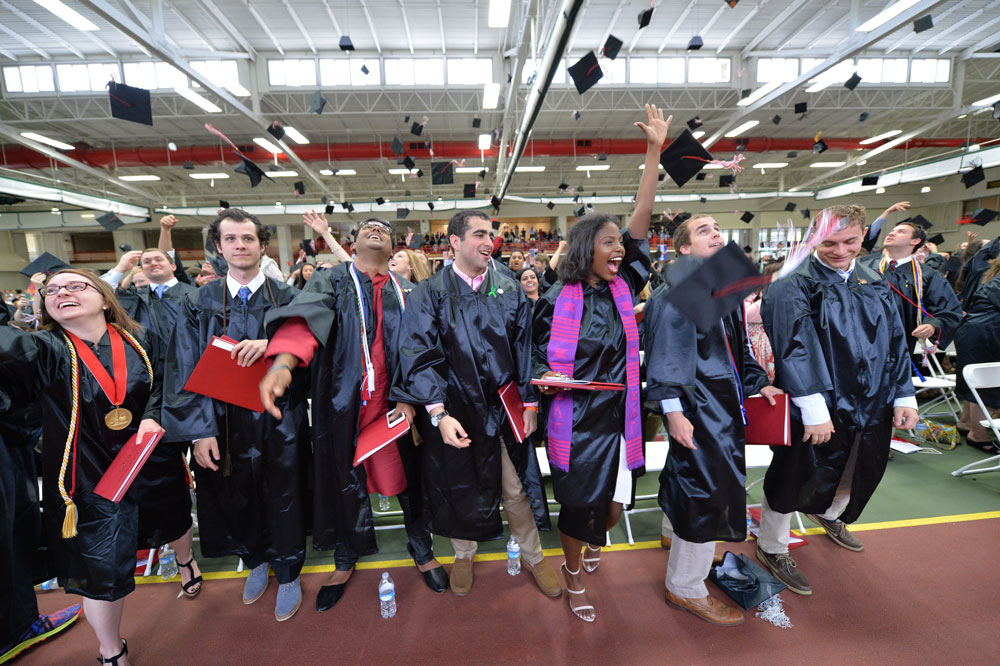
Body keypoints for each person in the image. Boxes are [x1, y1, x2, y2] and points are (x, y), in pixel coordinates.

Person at [260, 217, 449, 613]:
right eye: (367, 226)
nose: (375, 229)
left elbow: (424, 350)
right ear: (355, 240)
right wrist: (282, 365)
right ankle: (345, 558)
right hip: (342, 404)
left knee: (409, 480)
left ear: (394, 244)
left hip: (398, 405)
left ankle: (422, 549)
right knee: (341, 481)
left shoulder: (409, 292)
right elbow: (305, 320)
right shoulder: (330, 281)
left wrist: (415, 398)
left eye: (383, 227)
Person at [531, 103, 667, 622]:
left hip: (622, 416)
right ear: (586, 248)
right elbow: (536, 356)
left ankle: (591, 540)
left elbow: (641, 221)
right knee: (578, 508)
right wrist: (544, 379)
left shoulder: (623, 287)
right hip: (576, 420)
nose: (619, 250)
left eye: (619, 245)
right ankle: (569, 570)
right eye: (608, 243)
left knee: (610, 510)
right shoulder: (553, 299)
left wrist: (653, 153)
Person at [390, 209, 558, 599]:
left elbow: (525, 348)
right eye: (479, 234)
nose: (489, 242)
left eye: (491, 234)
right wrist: (438, 414)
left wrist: (530, 404)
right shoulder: (430, 293)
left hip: (503, 410)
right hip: (456, 412)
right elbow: (418, 354)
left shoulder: (510, 288)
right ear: (454, 242)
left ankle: (534, 556)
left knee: (515, 489)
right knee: (460, 485)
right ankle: (463, 554)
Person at [0, 269, 164, 666]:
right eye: (52, 291)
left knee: (140, 551)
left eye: (76, 285)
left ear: (106, 299)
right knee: (101, 572)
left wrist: (154, 413)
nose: (62, 293)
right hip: (84, 477)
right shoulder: (45, 347)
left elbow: (165, 382)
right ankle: (111, 650)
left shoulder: (139, 339)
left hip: (144, 463)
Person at [757, 205, 918, 595]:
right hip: (819, 400)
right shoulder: (794, 282)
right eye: (829, 243)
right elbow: (794, 346)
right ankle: (771, 547)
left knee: (858, 461)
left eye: (849, 241)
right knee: (794, 472)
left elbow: (895, 339)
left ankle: (825, 512)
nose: (841, 251)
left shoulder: (872, 279)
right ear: (814, 238)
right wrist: (813, 408)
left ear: (864, 235)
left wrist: (904, 393)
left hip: (873, 396)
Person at [163, 209, 310, 622]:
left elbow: (318, 355)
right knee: (235, 491)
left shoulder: (291, 298)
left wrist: (275, 344)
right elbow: (183, 367)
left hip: (280, 416)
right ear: (219, 247)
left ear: (263, 246)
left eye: (248, 239)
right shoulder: (198, 302)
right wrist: (199, 431)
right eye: (231, 239)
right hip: (223, 421)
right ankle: (256, 559)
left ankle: (288, 569)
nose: (240, 246)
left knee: (285, 491)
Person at [644, 215, 781, 626]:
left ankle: (673, 533)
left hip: (722, 407)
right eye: (704, 231)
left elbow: (737, 350)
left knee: (690, 478)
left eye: (718, 228)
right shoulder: (675, 295)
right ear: (683, 248)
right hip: (698, 408)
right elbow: (664, 357)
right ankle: (686, 584)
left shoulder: (719, 290)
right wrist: (673, 413)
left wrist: (758, 383)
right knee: (704, 491)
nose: (716, 233)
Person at [101, 243, 204, 598]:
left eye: (158, 257)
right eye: (145, 261)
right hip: (147, 404)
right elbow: (95, 301)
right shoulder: (129, 300)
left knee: (203, 472)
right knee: (160, 484)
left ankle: (201, 544)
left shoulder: (195, 295)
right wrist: (120, 269)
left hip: (195, 393)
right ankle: (167, 550)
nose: (152, 263)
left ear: (173, 263)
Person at [859, 204, 962, 360]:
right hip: (859, 345)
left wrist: (932, 325)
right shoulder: (863, 266)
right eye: (892, 230)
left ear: (915, 241)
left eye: (901, 232)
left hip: (901, 350)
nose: (892, 233)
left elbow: (948, 310)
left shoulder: (927, 275)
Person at [954, 258, 1000, 453]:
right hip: (984, 334)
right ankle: (977, 434)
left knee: (976, 382)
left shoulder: (993, 277)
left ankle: (966, 423)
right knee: (984, 384)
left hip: (978, 332)